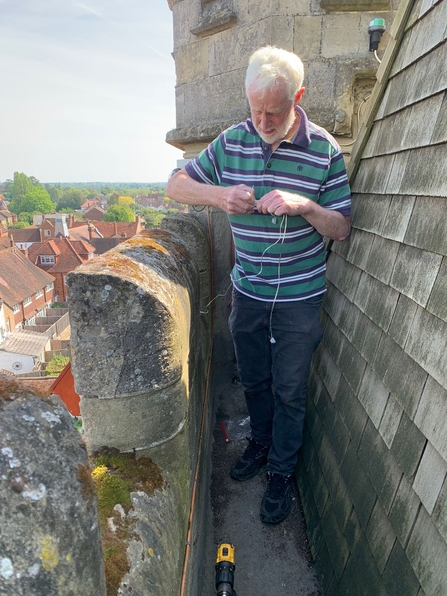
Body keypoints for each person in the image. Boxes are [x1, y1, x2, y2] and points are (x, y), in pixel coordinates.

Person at [167, 46, 351, 524]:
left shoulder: (324, 150)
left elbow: (342, 228)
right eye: (256, 110)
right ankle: (262, 443)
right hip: (248, 292)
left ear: (299, 97)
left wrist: (307, 207)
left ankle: (281, 472)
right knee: (253, 378)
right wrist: (218, 195)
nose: (264, 122)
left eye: (275, 111)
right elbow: (175, 185)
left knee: (290, 388)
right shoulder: (231, 143)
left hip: (298, 299)